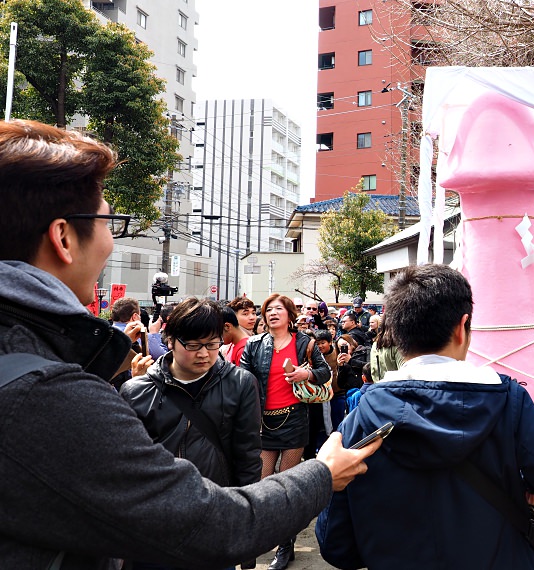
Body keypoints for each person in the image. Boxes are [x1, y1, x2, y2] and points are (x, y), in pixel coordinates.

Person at [0, 120, 377, 569]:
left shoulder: (39, 364)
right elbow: (211, 522)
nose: (109, 239)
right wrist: (323, 475)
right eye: (108, 220)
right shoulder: (47, 394)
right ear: (63, 237)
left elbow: (243, 461)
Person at [316, 264, 534, 569]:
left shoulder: (361, 419)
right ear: (462, 327)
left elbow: (336, 546)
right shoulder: (508, 404)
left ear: (395, 332)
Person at [121, 297, 263, 570]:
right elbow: (128, 468)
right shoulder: (136, 391)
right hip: (155, 521)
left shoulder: (241, 384)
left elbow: (247, 455)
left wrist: (246, 531)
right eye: (194, 345)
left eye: (212, 344)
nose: (204, 354)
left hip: (215, 514)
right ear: (170, 340)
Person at [240, 293, 333, 570]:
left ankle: (285, 545)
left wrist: (307, 374)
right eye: (268, 310)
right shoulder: (254, 344)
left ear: (290, 315)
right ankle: (254, 544)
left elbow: (324, 372)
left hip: (294, 420)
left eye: (279, 309)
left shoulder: (305, 342)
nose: (272, 313)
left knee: (287, 484)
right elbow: (243, 379)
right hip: (263, 423)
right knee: (261, 484)